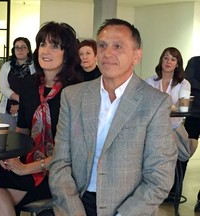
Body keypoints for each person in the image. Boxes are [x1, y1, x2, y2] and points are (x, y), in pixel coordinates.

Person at [49, 18, 178, 216]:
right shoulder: (73, 96)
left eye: (117, 46)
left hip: (127, 209)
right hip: (77, 203)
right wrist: (74, 211)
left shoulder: (155, 103)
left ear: (137, 56)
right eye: (102, 46)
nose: (108, 53)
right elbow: (60, 163)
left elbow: (159, 177)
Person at [0, 21, 80, 216]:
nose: (45, 51)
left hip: (58, 171)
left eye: (54, 46)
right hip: (28, 159)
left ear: (67, 54)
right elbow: (22, 131)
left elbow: (73, 151)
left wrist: (26, 169)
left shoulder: (76, 91)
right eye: (42, 44)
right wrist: (7, 156)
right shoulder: (30, 85)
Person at [145, 47, 198, 204]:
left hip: (172, 128)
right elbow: (146, 107)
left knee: (172, 144)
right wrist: (168, 105)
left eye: (173, 59)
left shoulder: (184, 83)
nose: (168, 62)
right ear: (161, 60)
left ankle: (168, 190)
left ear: (177, 64)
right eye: (166, 58)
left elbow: (182, 109)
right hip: (152, 128)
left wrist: (161, 106)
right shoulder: (150, 81)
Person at [0, 37, 35, 131]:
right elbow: (4, 88)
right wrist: (20, 100)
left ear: (28, 50)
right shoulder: (7, 66)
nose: (20, 50)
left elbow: (35, 90)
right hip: (8, 108)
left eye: (23, 47)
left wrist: (21, 105)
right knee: (8, 140)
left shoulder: (34, 67)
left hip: (28, 108)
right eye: (17, 47)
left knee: (25, 140)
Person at [183, 56, 200, 212]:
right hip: (194, 114)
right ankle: (174, 192)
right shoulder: (195, 62)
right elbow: (189, 80)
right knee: (185, 153)